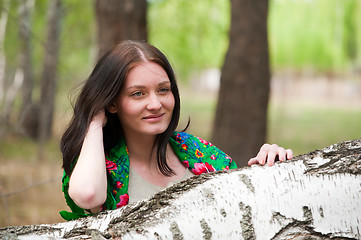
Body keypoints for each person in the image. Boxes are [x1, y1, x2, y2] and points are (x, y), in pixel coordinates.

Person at [59, 40, 293, 220]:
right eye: (138, 93)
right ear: (111, 103)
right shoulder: (98, 166)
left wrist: (269, 170)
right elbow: (88, 195)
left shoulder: (196, 151)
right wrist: (93, 120)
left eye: (163, 90)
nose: (155, 104)